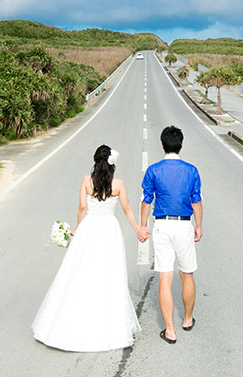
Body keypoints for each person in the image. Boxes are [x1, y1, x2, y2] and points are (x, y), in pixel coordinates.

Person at [32, 144, 149, 351]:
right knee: (108, 272)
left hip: (90, 227)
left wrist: (78, 227)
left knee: (81, 270)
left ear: (95, 161)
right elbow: (127, 210)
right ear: (112, 164)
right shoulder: (118, 184)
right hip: (109, 230)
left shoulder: (87, 181)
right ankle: (108, 322)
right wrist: (139, 230)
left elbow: (82, 207)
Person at [140, 126, 202, 344]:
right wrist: (198, 225)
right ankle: (187, 319)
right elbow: (196, 200)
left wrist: (143, 226)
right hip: (184, 224)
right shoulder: (191, 171)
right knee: (187, 274)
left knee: (165, 278)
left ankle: (170, 330)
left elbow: (146, 201)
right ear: (181, 144)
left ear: (162, 145)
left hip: (162, 225)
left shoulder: (153, 170)